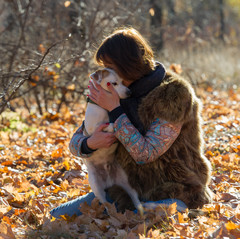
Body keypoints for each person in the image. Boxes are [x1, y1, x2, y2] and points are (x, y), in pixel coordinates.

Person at [50, 27, 212, 218]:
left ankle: (175, 209)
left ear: (128, 63)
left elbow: (145, 153)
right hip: (124, 193)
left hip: (172, 190)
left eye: (110, 65)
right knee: (56, 215)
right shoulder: (115, 89)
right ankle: (127, 211)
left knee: (141, 217)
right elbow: (75, 143)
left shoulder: (174, 93)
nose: (105, 71)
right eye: (103, 65)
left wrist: (115, 110)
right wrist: (90, 143)